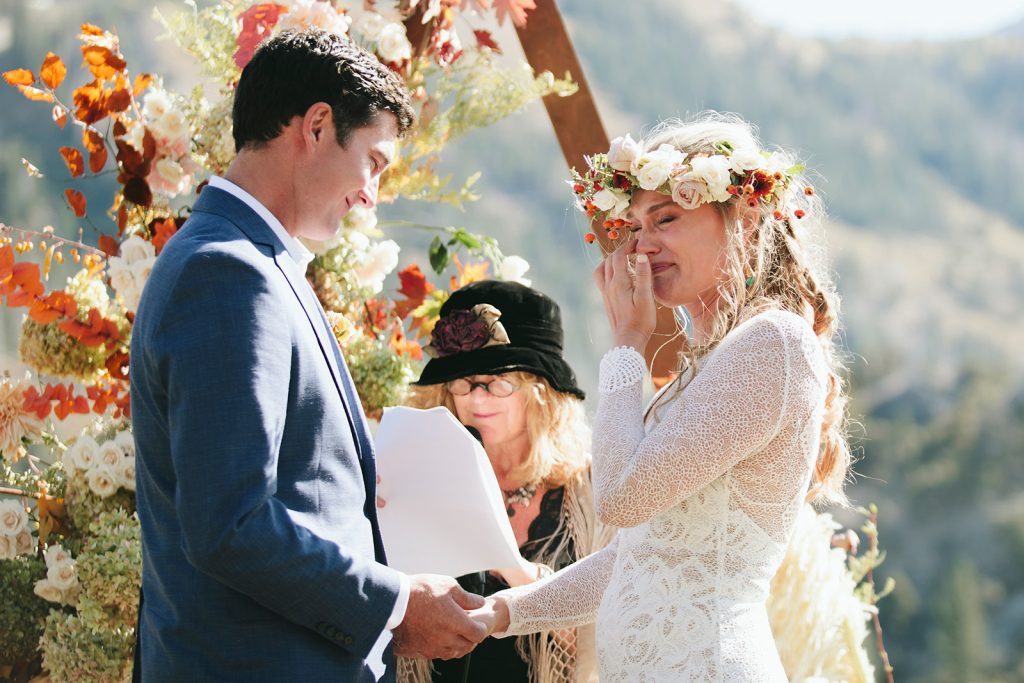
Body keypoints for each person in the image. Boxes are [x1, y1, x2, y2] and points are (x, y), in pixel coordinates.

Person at [130, 29, 486, 682]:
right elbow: (231, 523)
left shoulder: (251, 262)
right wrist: (395, 604)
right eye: (374, 163)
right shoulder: (227, 272)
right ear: (318, 126)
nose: (371, 194)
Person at [473, 112, 854, 681]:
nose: (642, 246)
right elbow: (637, 559)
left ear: (744, 217)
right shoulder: (702, 372)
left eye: (666, 219)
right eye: (634, 227)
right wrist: (496, 615)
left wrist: (628, 342)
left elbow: (619, 499)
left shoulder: (772, 342)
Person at [396, 280, 614, 683]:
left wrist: (506, 561)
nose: (476, 400)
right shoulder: (418, 477)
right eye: (462, 382)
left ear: (541, 392)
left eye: (498, 383)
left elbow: (597, 645)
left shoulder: (594, 493)